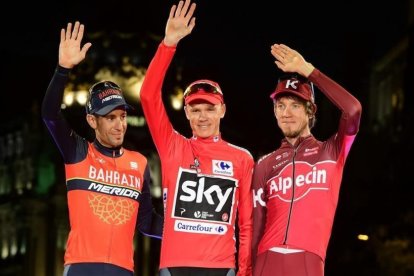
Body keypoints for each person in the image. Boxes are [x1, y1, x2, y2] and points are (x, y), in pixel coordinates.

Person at [139, 0, 254, 275]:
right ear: (187, 113)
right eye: (195, 109)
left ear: (222, 110)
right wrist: (168, 44)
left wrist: (246, 270)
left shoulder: (242, 158)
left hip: (221, 267)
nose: (203, 117)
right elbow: (147, 96)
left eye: (210, 109)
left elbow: (246, 223)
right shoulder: (172, 146)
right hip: (174, 267)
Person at [41, 21, 162, 276]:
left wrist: (189, 227)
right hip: (81, 268)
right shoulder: (78, 153)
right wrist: (63, 69)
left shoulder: (139, 163)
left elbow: (147, 222)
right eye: (110, 118)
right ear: (92, 120)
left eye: (122, 116)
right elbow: (50, 115)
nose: (119, 125)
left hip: (123, 271)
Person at [251, 43, 362, 276]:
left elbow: (353, 110)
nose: (286, 113)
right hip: (265, 260)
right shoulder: (264, 164)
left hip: (308, 262)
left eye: (295, 105)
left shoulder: (332, 150)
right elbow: (255, 226)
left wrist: (308, 70)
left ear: (311, 110)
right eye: (280, 105)